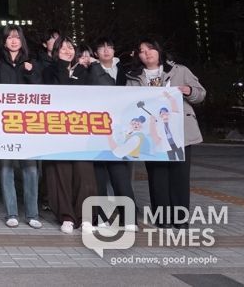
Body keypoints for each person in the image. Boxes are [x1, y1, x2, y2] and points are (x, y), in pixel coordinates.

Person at [126, 38, 206, 228]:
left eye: (151, 48)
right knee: (157, 176)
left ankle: (180, 219)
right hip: (152, 134)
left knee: (180, 175)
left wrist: (189, 90)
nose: (147, 53)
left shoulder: (180, 71)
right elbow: (129, 104)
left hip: (179, 132)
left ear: (159, 50)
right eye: (142, 51)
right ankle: (162, 218)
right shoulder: (133, 77)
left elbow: (201, 94)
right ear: (138, 56)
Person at [0, 25, 43, 229]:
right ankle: (11, 213)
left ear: (22, 41)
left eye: (17, 37)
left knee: (31, 169)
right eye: (10, 37)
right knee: (6, 168)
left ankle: (32, 214)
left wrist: (30, 73)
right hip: (4, 123)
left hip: (27, 124)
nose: (13, 41)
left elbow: (40, 92)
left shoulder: (31, 62)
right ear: (4, 41)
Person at [42, 34, 97, 234]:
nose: (68, 51)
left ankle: (85, 217)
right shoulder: (48, 71)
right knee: (61, 173)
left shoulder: (84, 71)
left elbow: (99, 91)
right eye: (63, 48)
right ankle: (66, 216)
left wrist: (90, 66)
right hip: (57, 131)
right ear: (56, 51)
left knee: (84, 173)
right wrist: (64, 68)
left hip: (81, 130)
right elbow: (60, 90)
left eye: (71, 47)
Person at [87, 37, 137, 229]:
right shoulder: (90, 70)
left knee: (120, 174)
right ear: (96, 53)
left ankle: (129, 218)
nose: (106, 50)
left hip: (120, 130)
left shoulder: (125, 70)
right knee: (98, 175)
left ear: (114, 50)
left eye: (110, 47)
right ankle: (101, 217)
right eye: (102, 48)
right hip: (97, 128)